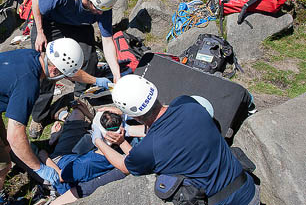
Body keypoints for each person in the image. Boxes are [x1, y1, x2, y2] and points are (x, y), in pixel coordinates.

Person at [0, 37, 112, 205]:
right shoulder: (28, 83)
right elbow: (15, 135)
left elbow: (68, 70)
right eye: (62, 75)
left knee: (5, 148)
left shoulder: (35, 57)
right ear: (54, 70)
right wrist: (39, 168)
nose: (64, 78)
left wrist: (95, 80)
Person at [91, 74, 260, 205]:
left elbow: (124, 165)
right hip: (249, 188)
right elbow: (169, 121)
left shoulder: (148, 149)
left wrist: (97, 139)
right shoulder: (188, 103)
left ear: (134, 115)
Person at [28, 0, 121, 139]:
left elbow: (107, 41)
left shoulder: (104, 6)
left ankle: (79, 99)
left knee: (90, 57)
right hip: (50, 21)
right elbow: (36, 2)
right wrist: (40, 33)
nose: (100, 13)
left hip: (78, 26)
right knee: (47, 71)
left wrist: (116, 74)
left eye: (103, 10)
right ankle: (38, 117)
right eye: (97, 9)